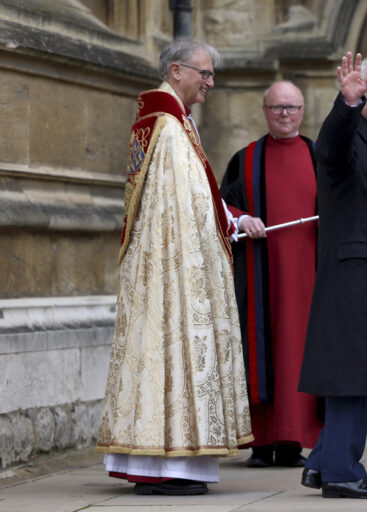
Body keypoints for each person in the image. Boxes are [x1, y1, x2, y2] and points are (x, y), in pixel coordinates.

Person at [96, 37, 253, 496]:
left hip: (176, 264)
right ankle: (167, 467)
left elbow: (196, 196)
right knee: (171, 350)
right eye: (204, 73)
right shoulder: (164, 123)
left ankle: (164, 465)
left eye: (212, 74)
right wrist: (219, 232)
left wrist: (231, 219)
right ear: (177, 70)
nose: (210, 83)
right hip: (173, 270)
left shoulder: (175, 121)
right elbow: (174, 209)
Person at [297, 52, 367, 499]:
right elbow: (331, 150)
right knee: (352, 373)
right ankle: (342, 471)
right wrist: (344, 105)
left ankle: (323, 462)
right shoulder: (350, 132)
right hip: (352, 274)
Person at [219, 81, 322, 469]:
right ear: (264, 111)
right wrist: (243, 218)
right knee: (260, 350)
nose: (284, 114)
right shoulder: (245, 159)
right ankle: (261, 443)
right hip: (260, 276)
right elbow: (223, 205)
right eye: (277, 108)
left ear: (302, 111)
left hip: (308, 278)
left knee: (300, 353)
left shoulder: (320, 157)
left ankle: (293, 441)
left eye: (292, 107)